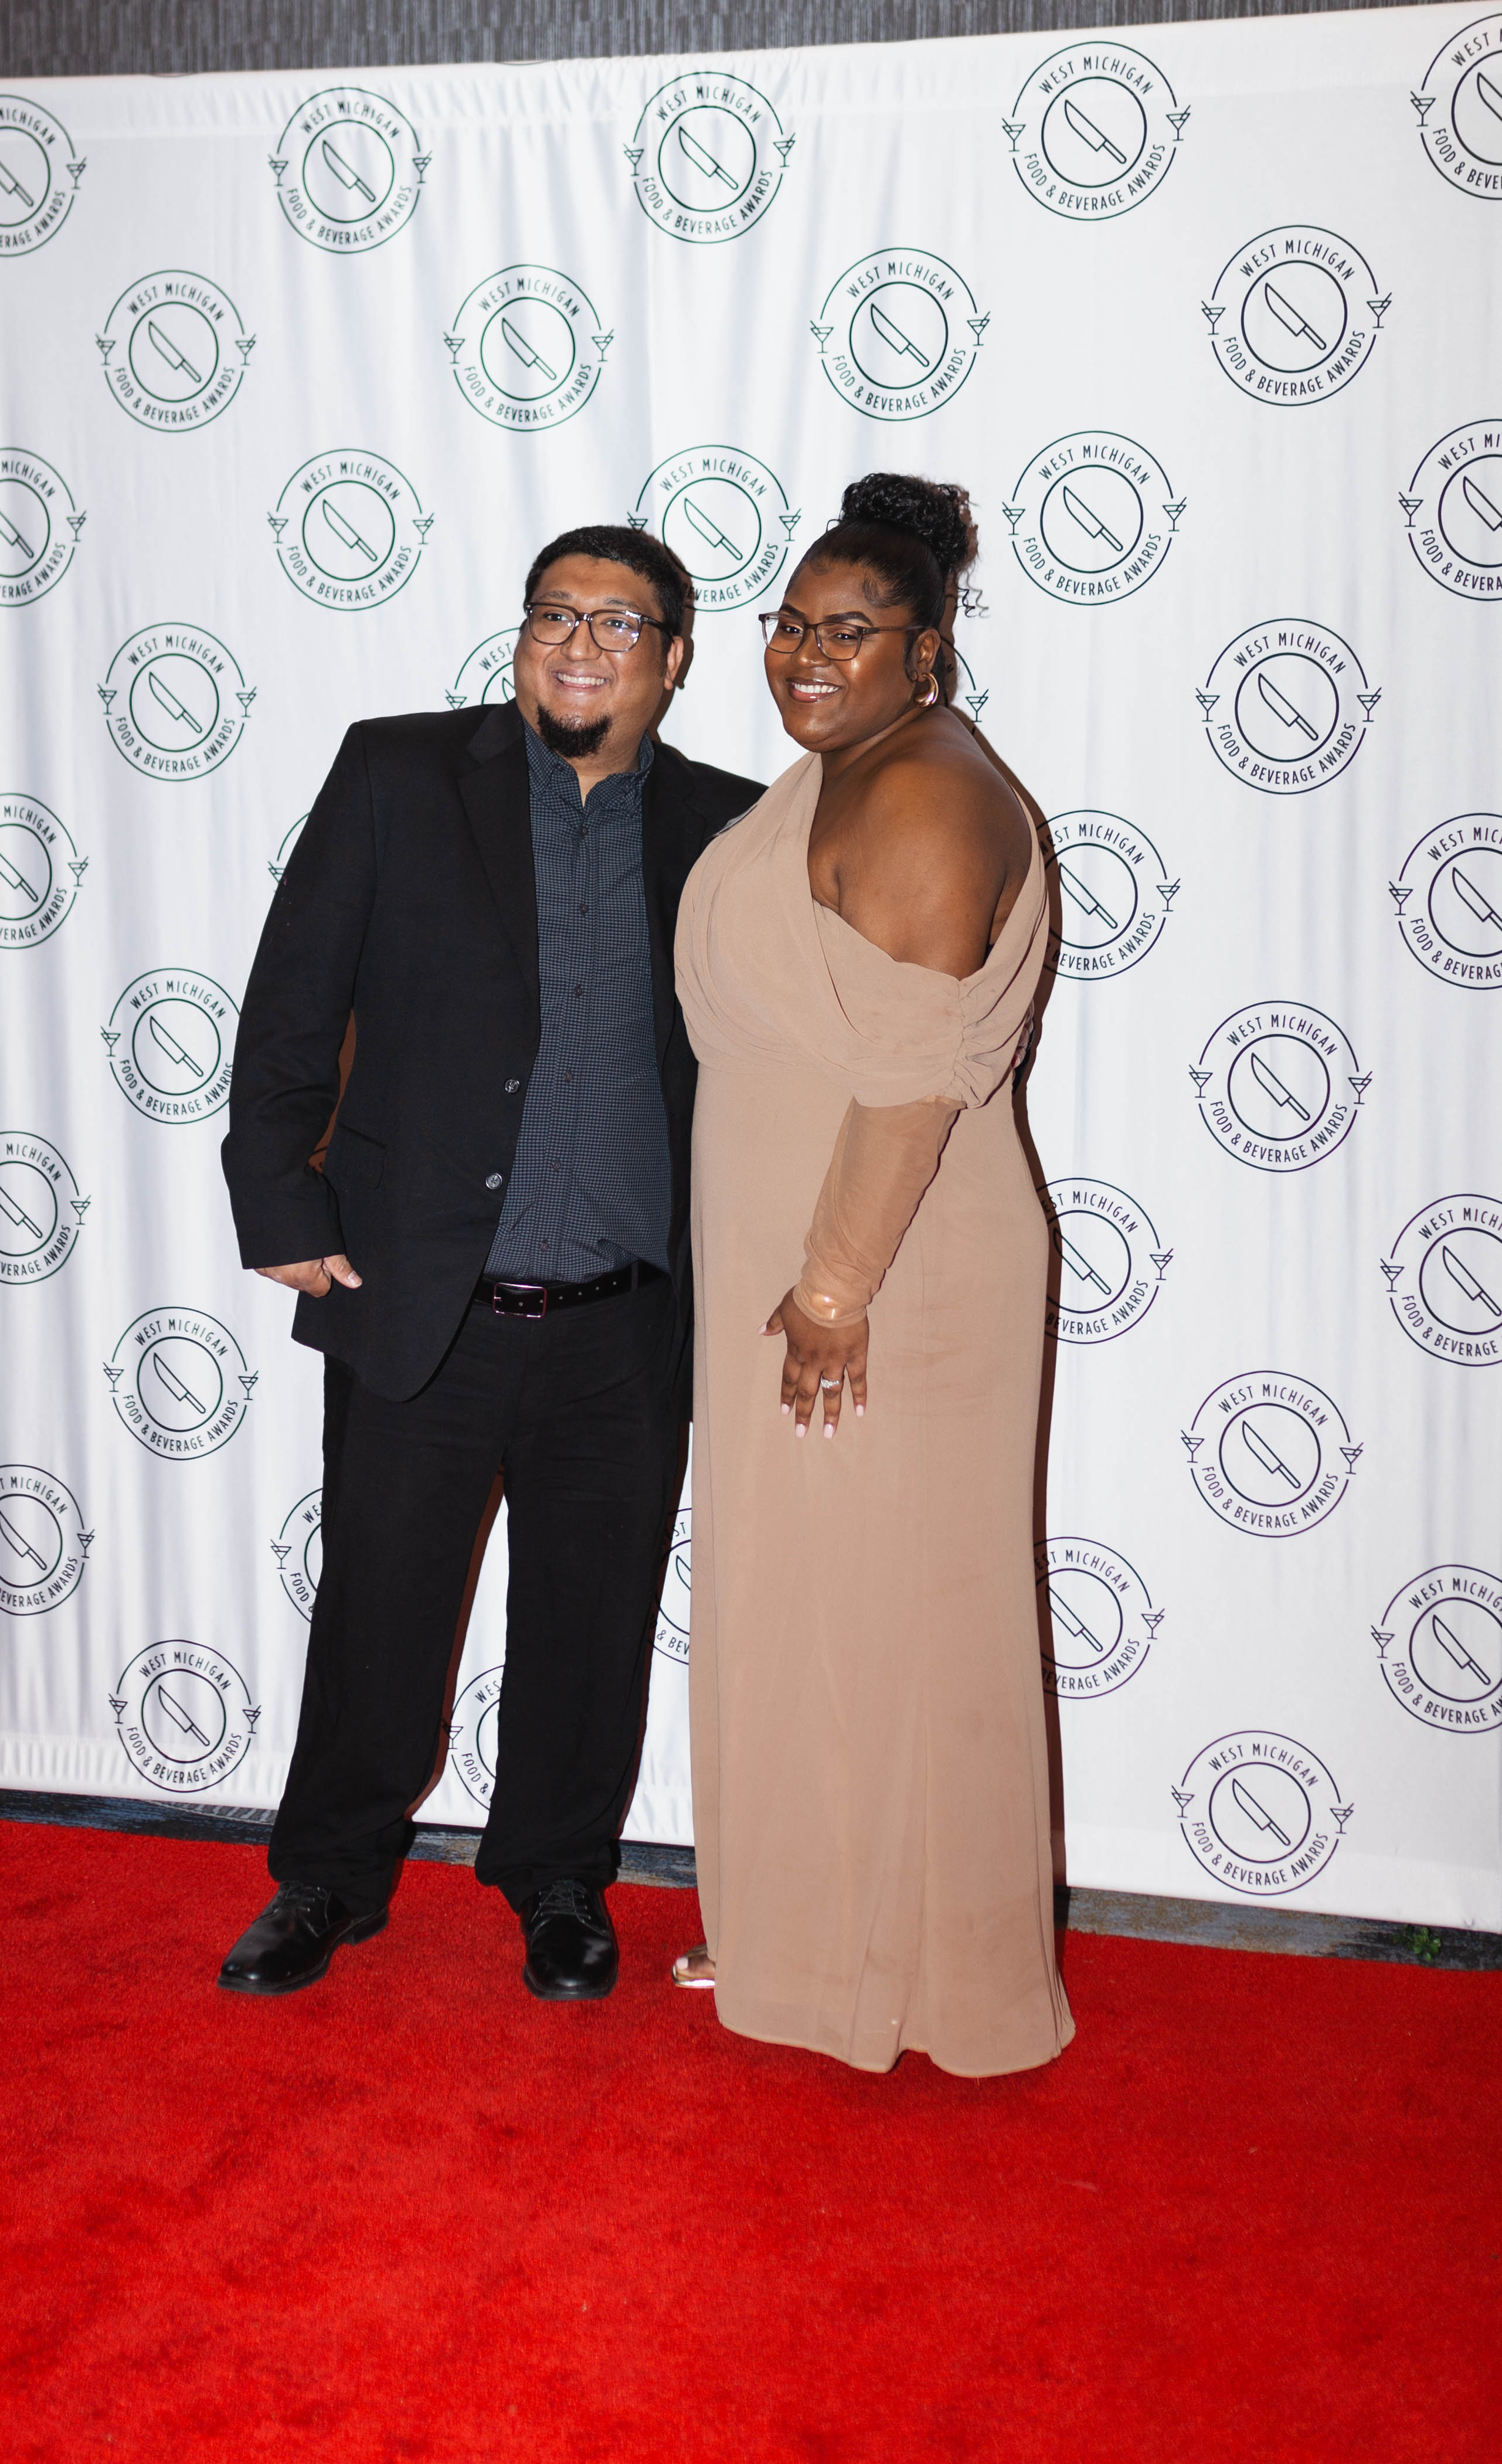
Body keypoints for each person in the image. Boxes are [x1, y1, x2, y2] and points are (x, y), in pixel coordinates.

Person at [218, 525, 760, 2003]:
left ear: (672, 657)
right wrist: (281, 1204)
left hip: (625, 1319)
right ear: (521, 636)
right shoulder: (397, 773)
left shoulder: (732, 825)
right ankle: (329, 1876)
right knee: (380, 1608)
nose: (578, 644)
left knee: (593, 1617)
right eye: (552, 614)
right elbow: (291, 998)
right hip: (421, 1296)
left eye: (617, 623)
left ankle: (559, 1879)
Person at [671, 472, 1074, 2077]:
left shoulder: (923, 792)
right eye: (788, 624)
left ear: (929, 651)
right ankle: (810, 1928)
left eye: (848, 631)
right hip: (805, 1262)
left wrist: (834, 1289)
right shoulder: (835, 771)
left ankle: (917, 1973)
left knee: (900, 1615)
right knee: (815, 1601)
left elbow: (908, 1082)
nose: (804, 655)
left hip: (884, 1273)